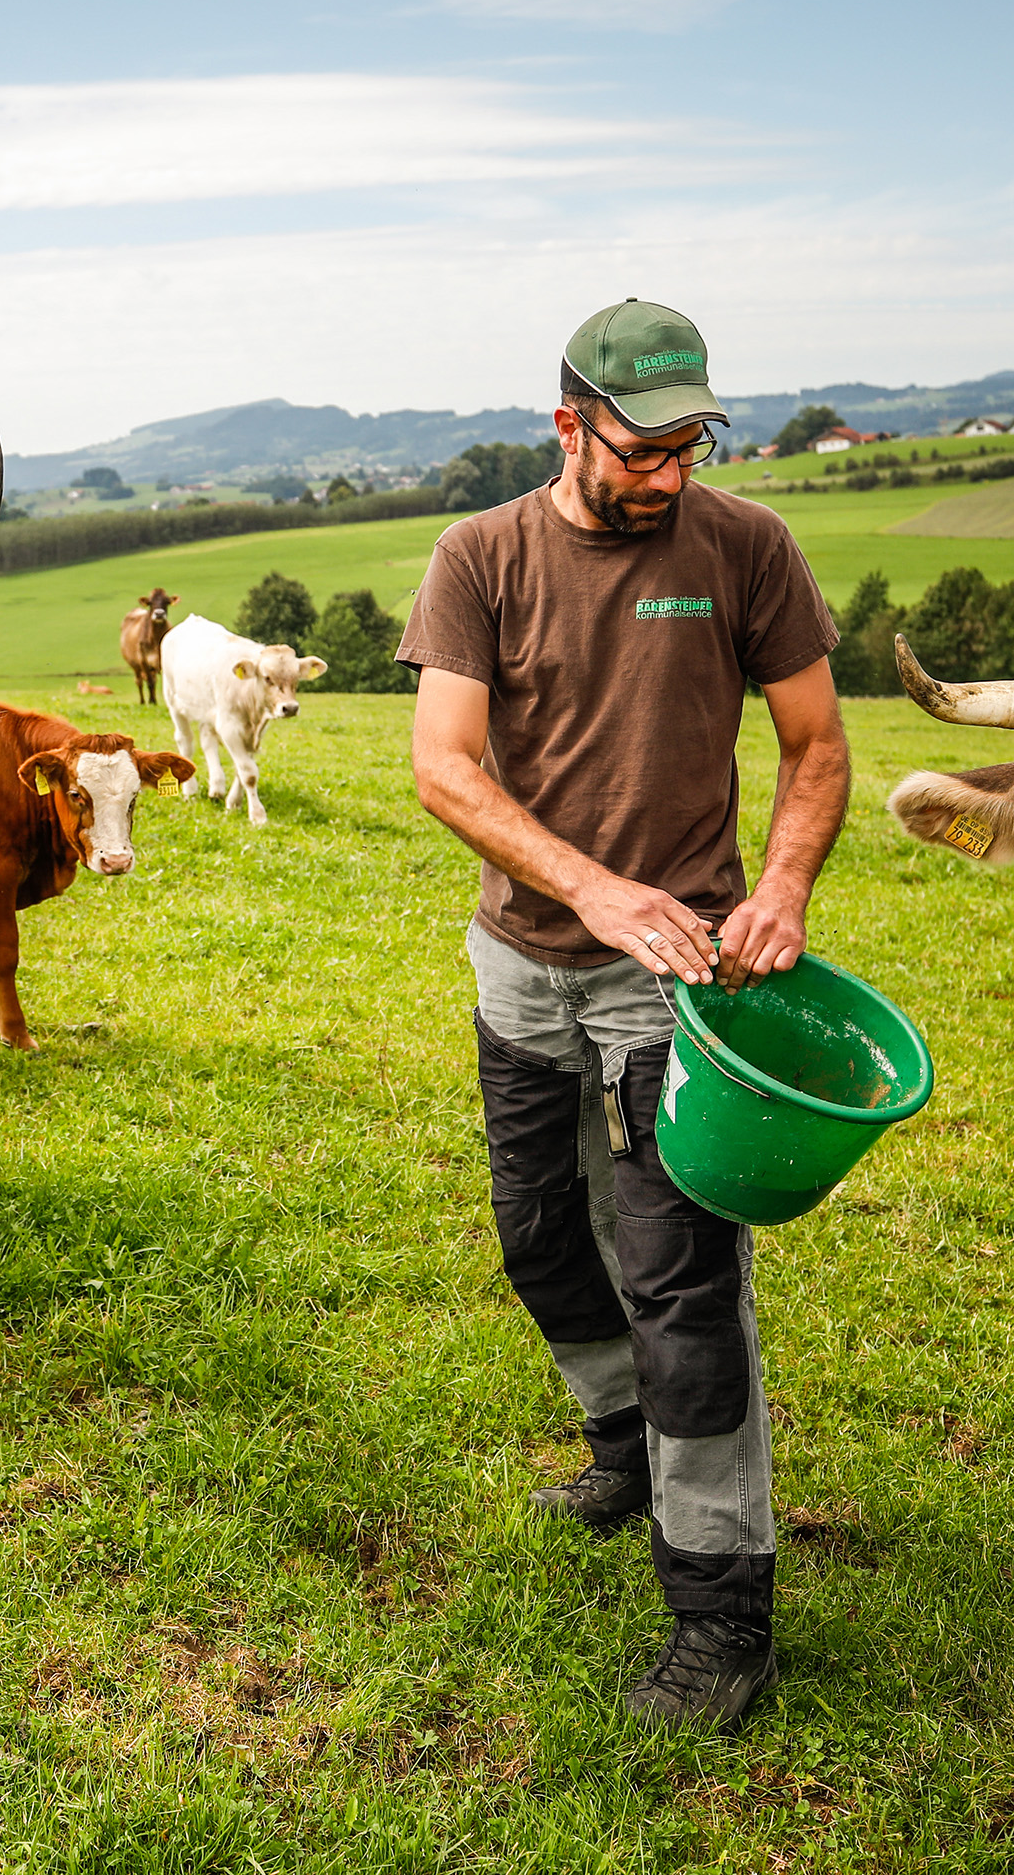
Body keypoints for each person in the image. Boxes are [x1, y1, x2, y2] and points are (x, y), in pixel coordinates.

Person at [397, 298, 849, 1733]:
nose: (668, 476)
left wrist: (777, 889)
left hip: (684, 980)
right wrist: (591, 890)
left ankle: (724, 1615)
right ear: (570, 423)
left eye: (691, 446)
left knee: (682, 1286)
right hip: (526, 962)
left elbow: (818, 744)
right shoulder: (481, 559)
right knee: (539, 1231)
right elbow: (449, 770)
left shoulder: (746, 548)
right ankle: (621, 1441)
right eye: (643, 448)